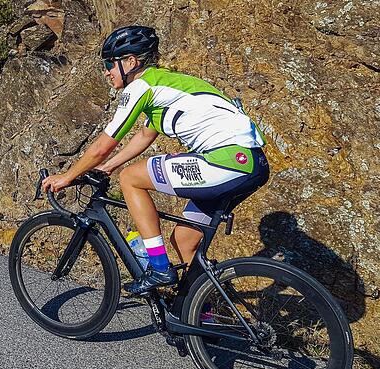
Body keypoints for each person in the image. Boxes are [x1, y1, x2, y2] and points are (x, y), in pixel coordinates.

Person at [41, 25, 269, 294]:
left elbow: (103, 145)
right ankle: (203, 318)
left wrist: (66, 176)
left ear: (130, 62)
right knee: (185, 240)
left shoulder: (142, 86)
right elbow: (145, 135)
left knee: (131, 179)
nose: (106, 71)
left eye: (109, 64)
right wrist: (108, 167)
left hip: (227, 160)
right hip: (251, 164)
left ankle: (159, 267)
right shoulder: (165, 82)